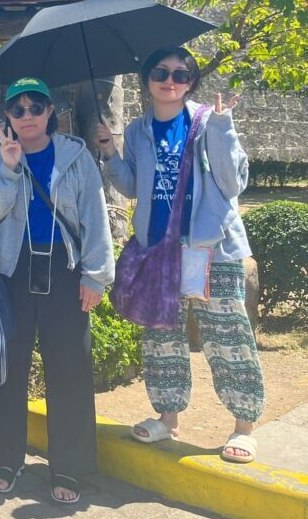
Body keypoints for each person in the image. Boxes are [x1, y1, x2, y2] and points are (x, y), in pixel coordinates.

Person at [97, 46, 264, 463]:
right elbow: (133, 187)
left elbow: (233, 183)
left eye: (180, 74)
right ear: (147, 80)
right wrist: (110, 153)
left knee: (227, 336)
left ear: (191, 82)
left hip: (212, 249)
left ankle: (244, 425)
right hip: (159, 249)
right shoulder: (138, 130)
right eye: (161, 72)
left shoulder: (208, 121)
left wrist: (223, 128)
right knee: (162, 338)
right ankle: (167, 417)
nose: (170, 81)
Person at [0, 77, 114, 504]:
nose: (28, 116)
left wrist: (95, 276)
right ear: (8, 116)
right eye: (18, 110)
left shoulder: (75, 156)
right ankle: (4, 458)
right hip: (12, 270)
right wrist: (8, 167)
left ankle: (69, 465)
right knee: (8, 366)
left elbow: (94, 215)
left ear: (50, 111)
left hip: (63, 269)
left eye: (36, 107)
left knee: (69, 368)